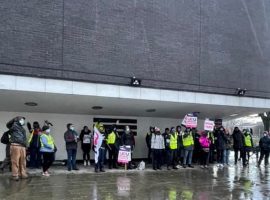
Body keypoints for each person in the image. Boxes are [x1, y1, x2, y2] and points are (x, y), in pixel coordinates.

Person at [6, 116, 28, 181]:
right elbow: (8, 124)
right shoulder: (13, 126)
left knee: (23, 161)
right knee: (15, 161)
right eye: (21, 120)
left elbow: (24, 137)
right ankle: (15, 175)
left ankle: (23, 174)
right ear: (17, 120)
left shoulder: (22, 128)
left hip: (22, 146)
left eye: (23, 120)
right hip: (15, 145)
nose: (23, 121)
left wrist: (25, 145)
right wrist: (14, 119)